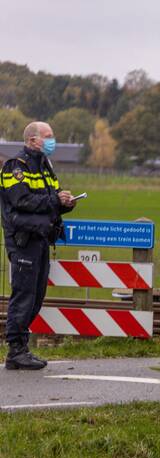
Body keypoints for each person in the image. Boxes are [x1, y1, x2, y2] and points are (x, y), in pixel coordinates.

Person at [0, 121, 77, 370]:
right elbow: (20, 199)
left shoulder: (45, 166)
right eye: (48, 136)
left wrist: (66, 201)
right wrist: (54, 199)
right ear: (33, 140)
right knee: (24, 295)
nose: (53, 140)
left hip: (42, 237)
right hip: (24, 240)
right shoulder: (15, 167)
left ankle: (22, 347)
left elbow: (51, 198)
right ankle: (15, 351)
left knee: (37, 296)